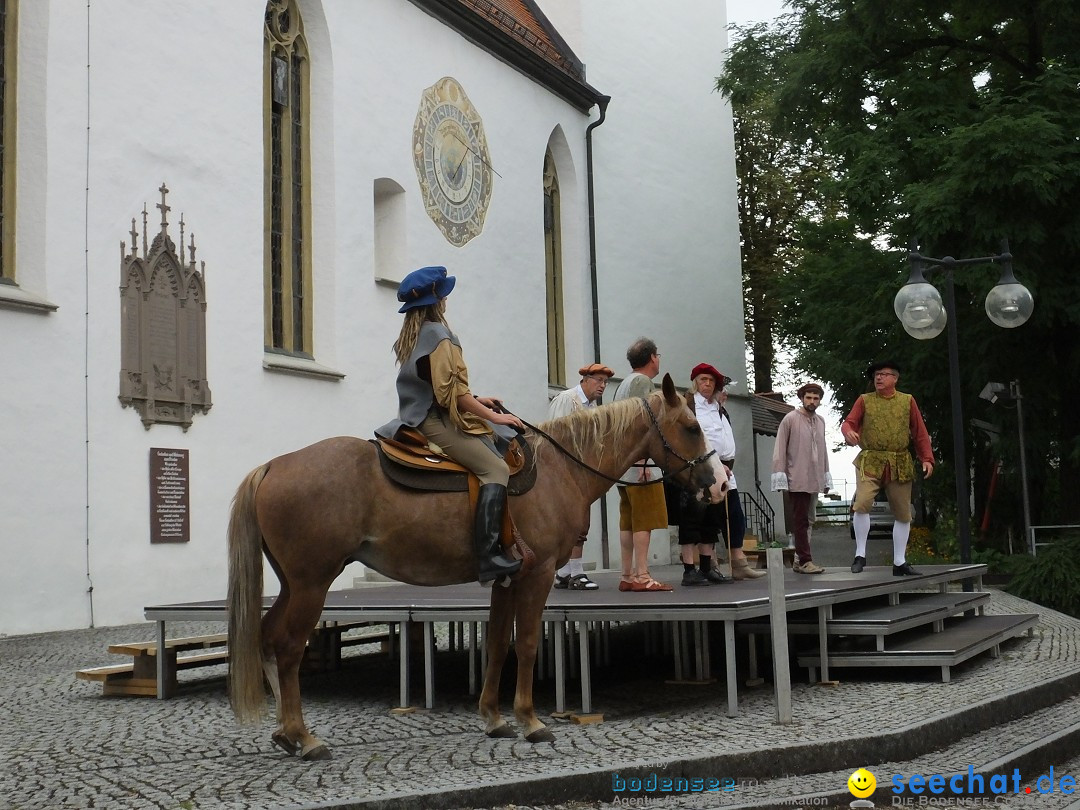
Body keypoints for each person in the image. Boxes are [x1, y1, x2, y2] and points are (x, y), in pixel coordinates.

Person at [377, 266, 524, 584]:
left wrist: (479, 400)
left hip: (417, 415)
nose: (446, 298)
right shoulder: (439, 335)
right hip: (434, 421)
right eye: (443, 293)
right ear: (437, 300)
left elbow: (440, 387)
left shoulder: (414, 334)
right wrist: (496, 416)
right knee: (495, 469)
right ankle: (489, 557)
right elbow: (452, 397)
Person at [841, 360, 935, 576]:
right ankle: (860, 554)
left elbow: (919, 431)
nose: (878, 378)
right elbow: (849, 423)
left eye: (883, 374)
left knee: (903, 513)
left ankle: (899, 562)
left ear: (895, 378)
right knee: (862, 502)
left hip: (899, 460)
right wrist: (848, 433)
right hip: (871, 459)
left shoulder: (907, 401)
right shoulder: (864, 400)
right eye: (876, 375)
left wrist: (927, 458)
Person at [682, 364, 764, 582]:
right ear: (695, 382)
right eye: (703, 380)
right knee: (706, 520)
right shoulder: (689, 406)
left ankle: (738, 562)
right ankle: (709, 565)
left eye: (710, 380)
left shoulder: (718, 407)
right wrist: (715, 463)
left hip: (727, 470)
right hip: (706, 470)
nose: (707, 384)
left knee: (735, 516)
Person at [611, 338, 672, 592]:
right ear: (652, 358)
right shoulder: (642, 383)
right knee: (644, 519)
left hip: (623, 463)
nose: (659, 359)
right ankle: (643, 575)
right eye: (657, 355)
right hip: (640, 463)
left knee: (628, 520)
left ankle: (627, 574)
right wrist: (645, 460)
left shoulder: (621, 385)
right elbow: (643, 422)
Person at [547, 362, 614, 590]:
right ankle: (572, 572)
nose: (602, 385)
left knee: (580, 522)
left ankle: (568, 572)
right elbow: (554, 435)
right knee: (572, 522)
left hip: (582, 472)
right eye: (598, 380)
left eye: (605, 382)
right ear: (585, 379)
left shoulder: (593, 407)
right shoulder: (567, 400)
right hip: (565, 471)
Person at [771, 382, 833, 574]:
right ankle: (805, 560)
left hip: (814, 478)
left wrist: (825, 476)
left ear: (820, 401)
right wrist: (780, 475)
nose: (812, 401)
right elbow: (780, 448)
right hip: (796, 476)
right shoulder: (790, 419)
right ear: (802, 398)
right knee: (800, 520)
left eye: (815, 398)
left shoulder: (821, 421)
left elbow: (823, 451)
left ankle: (799, 559)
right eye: (808, 397)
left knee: (810, 519)